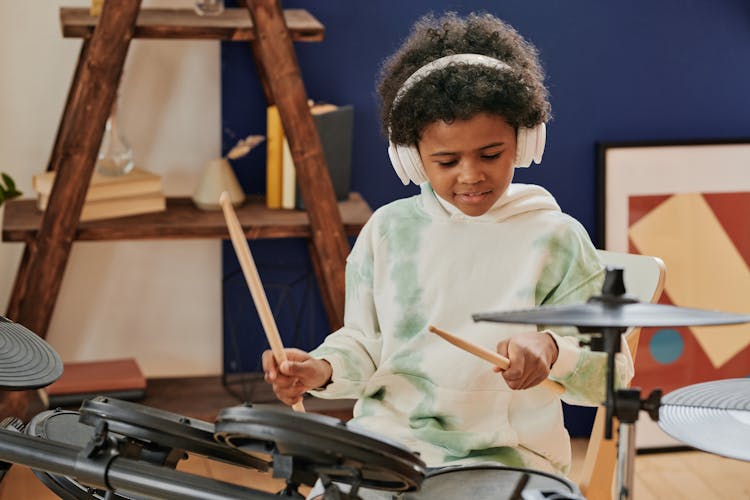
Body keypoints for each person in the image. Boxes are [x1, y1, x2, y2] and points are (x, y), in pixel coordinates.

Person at [263, 10, 633, 490]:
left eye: (490, 154)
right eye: (446, 159)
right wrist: (321, 368)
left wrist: (550, 348)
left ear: (524, 141)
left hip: (509, 460)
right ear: (411, 157)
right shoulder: (388, 231)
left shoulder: (556, 239)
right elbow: (366, 343)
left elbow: (615, 373)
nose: (470, 175)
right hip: (385, 448)